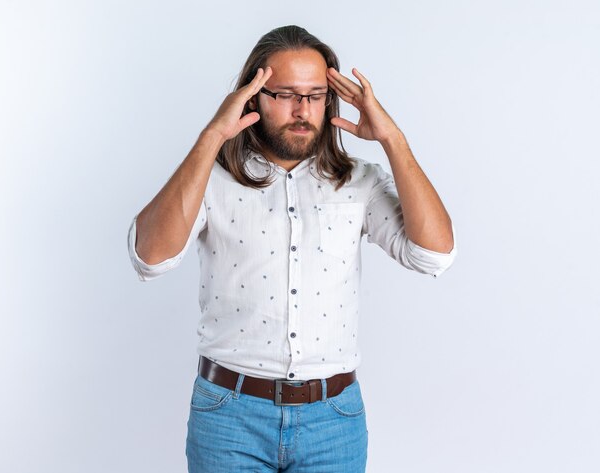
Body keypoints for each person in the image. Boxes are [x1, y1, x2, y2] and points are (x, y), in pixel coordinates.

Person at [127, 25, 456, 473]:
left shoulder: (360, 182)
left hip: (333, 420)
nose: (302, 110)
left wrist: (392, 141)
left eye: (316, 95)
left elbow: (434, 254)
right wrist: (211, 139)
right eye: (284, 94)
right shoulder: (211, 180)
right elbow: (150, 258)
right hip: (229, 416)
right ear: (253, 97)